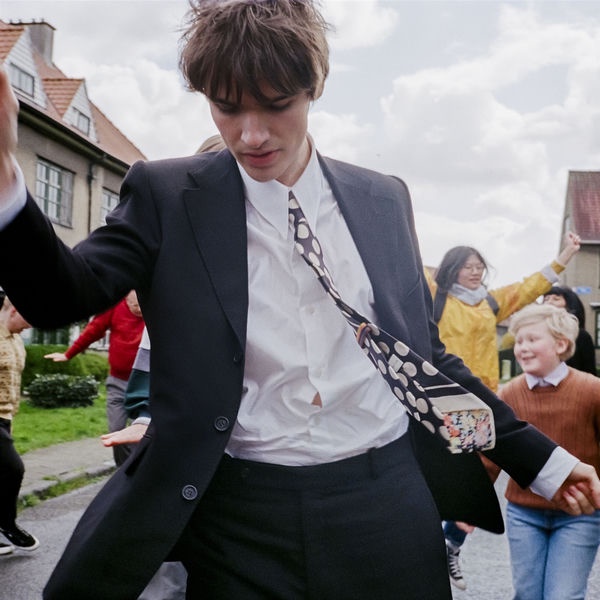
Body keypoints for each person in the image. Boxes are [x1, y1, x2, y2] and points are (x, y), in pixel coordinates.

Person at [0, 2, 599, 598]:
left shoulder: (383, 199)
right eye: (227, 107)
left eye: (276, 105)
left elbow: (423, 363)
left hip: (385, 505)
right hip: (237, 520)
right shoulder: (167, 195)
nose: (251, 134)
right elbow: (60, 296)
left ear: (315, 87)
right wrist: (6, 184)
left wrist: (542, 462)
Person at [426, 238, 580, 589]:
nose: (475, 272)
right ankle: (431, 542)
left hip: (480, 402)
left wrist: (565, 257)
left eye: (479, 266)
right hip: (442, 396)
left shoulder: (490, 302)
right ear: (452, 269)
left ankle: (451, 542)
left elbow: (529, 288)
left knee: (476, 474)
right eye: (468, 266)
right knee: (437, 471)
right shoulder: (437, 296)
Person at [489, 303, 600, 599]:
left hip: (580, 514)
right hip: (524, 514)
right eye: (519, 341)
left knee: (563, 595)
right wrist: (465, 507)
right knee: (527, 594)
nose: (522, 348)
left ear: (561, 345)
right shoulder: (508, 394)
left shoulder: (592, 390)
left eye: (532, 339)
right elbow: (491, 456)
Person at [44, 290, 144, 466]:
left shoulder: (154, 310)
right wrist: (68, 354)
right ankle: (126, 471)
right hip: (118, 382)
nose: (139, 310)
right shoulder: (114, 307)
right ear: (127, 297)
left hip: (145, 385)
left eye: (142, 306)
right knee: (116, 431)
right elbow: (93, 330)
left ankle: (139, 469)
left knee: (143, 434)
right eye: (135, 306)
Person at [0, 293, 39, 553]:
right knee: (13, 468)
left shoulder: (16, 340)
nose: (31, 325)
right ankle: (7, 524)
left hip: (6, 418)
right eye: (29, 318)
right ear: (14, 310)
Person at [543, 285, 597, 376]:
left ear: (569, 305)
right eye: (546, 299)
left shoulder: (581, 336)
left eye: (556, 299)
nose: (549, 302)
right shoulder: (539, 334)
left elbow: (590, 374)